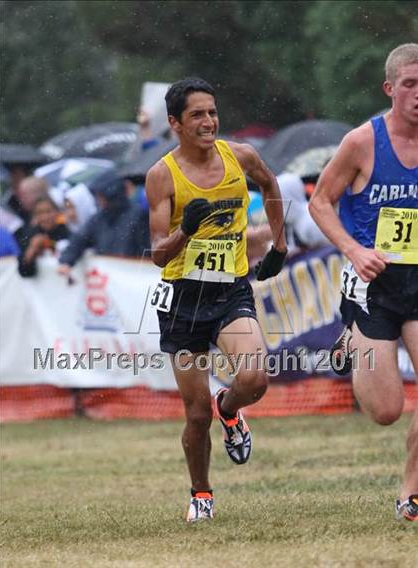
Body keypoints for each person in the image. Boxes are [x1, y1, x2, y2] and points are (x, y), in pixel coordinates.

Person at [146, 77, 287, 522]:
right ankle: (201, 496)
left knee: (255, 379)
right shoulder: (161, 175)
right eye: (197, 115)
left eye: (212, 112)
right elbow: (156, 254)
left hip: (229, 291)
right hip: (183, 299)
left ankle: (230, 409)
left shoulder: (239, 156)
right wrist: (185, 227)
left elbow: (270, 185)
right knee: (193, 415)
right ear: (175, 123)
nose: (208, 122)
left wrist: (279, 245)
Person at [309, 43, 418, 521]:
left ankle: (411, 493)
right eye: (411, 84)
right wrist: (354, 250)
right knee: (387, 411)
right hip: (373, 286)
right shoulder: (362, 142)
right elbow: (319, 203)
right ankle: (351, 339)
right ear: (390, 88)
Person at [58, 168, 150, 278]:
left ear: (112, 195)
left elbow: (146, 250)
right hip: (109, 280)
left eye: (101, 196)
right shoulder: (99, 218)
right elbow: (80, 239)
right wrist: (66, 261)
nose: (99, 200)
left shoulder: (138, 215)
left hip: (131, 277)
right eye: (97, 196)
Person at [18, 196, 71, 277]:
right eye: (39, 213)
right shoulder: (30, 235)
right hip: (42, 287)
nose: (45, 217)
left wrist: (52, 245)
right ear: (34, 216)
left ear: (57, 212)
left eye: (48, 211)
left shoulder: (66, 231)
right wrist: (33, 248)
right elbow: (24, 272)